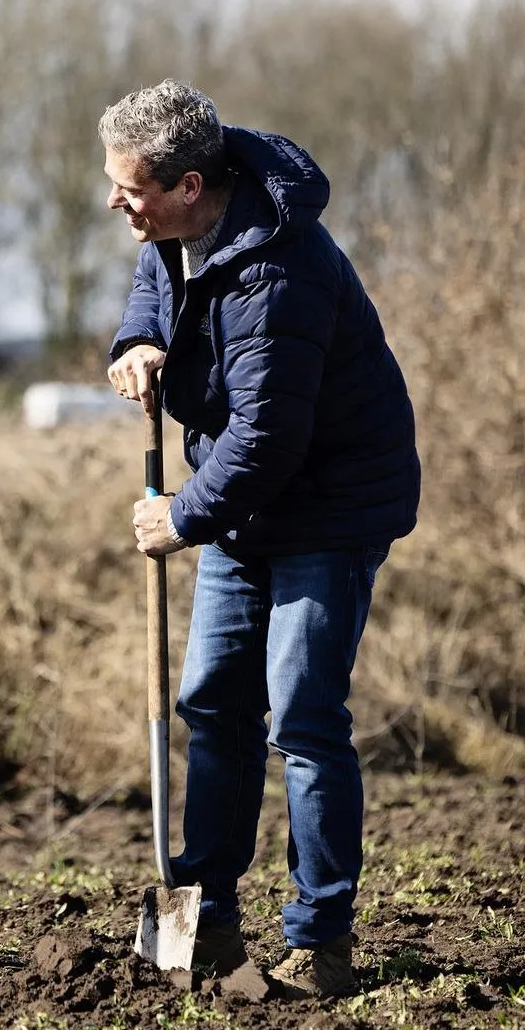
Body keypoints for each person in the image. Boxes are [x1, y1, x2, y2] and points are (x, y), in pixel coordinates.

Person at [100, 81, 421, 998]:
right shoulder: (174, 232)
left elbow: (267, 438)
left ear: (192, 184)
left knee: (305, 717)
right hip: (247, 505)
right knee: (212, 701)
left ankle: (320, 938)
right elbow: (154, 284)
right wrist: (139, 340)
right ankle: (206, 914)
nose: (116, 204)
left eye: (132, 191)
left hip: (330, 507)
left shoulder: (284, 273)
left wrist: (180, 518)